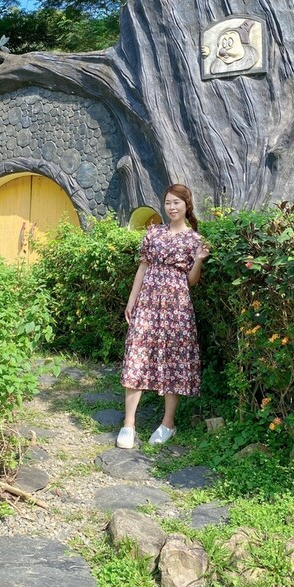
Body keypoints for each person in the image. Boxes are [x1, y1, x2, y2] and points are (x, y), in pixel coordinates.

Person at [116, 184, 210, 449]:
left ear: (186, 205)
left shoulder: (194, 239)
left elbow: (192, 281)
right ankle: (128, 424)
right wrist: (132, 300)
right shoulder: (154, 232)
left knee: (173, 359)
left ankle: (168, 423)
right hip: (147, 302)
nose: (171, 207)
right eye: (168, 202)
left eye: (176, 202)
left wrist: (199, 260)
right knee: (137, 354)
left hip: (176, 306)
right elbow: (143, 267)